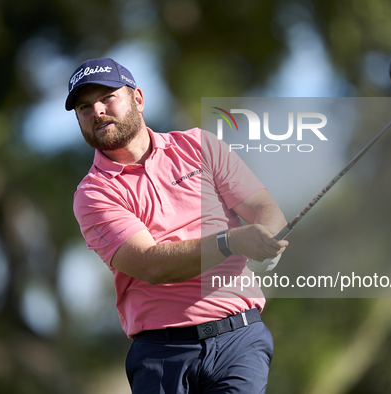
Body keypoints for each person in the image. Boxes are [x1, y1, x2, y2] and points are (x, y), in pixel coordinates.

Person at [66, 57, 288, 393]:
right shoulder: (94, 193)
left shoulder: (200, 145)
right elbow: (151, 265)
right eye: (84, 106)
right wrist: (233, 241)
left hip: (238, 339)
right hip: (161, 354)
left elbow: (263, 208)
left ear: (138, 98)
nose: (97, 110)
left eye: (107, 97)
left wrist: (267, 235)